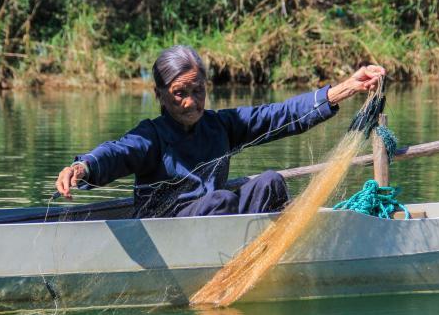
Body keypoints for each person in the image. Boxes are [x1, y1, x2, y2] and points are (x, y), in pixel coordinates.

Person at [55, 45, 384, 218]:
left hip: (217, 214)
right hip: (169, 227)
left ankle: (259, 254)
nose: (190, 102)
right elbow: (118, 152)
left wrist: (345, 89)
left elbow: (279, 116)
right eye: (179, 94)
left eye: (197, 91)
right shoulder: (151, 136)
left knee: (271, 182)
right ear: (160, 96)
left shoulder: (220, 125)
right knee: (221, 200)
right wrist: (82, 167)